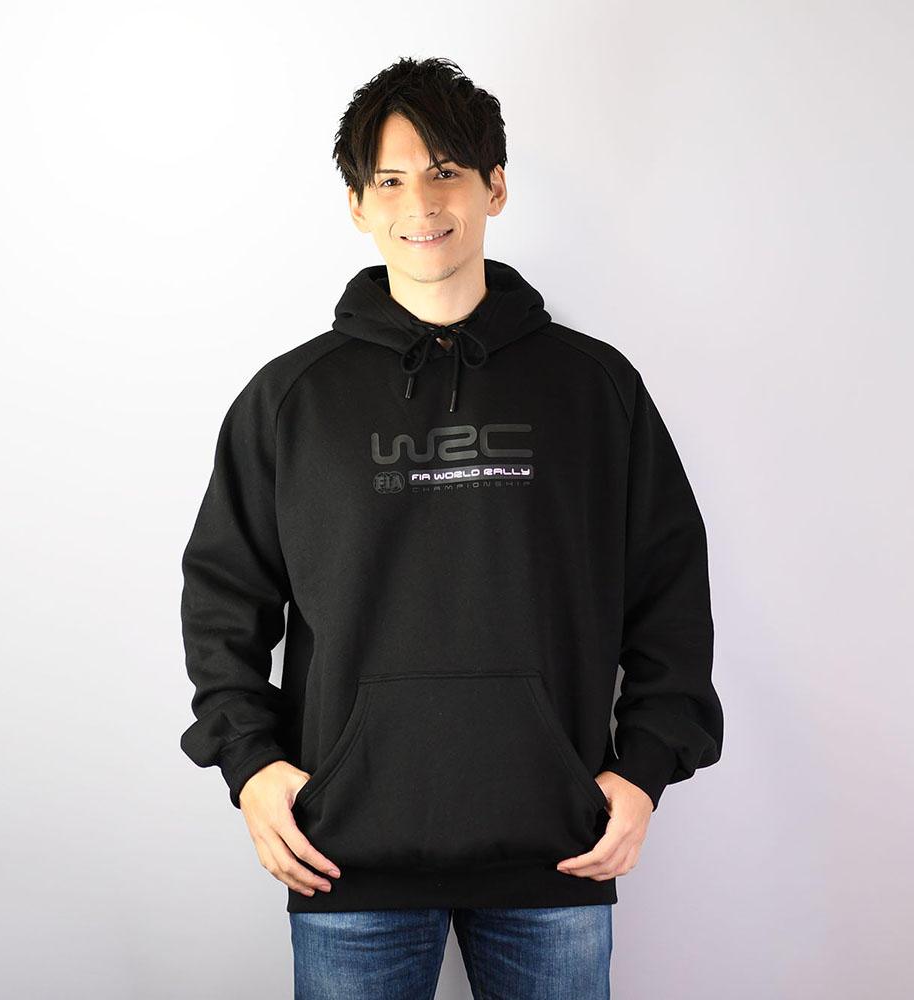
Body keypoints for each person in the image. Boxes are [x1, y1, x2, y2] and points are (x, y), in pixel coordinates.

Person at [179, 55, 724, 1000]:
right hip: (347, 861)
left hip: (556, 856)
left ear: (494, 187)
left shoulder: (595, 389)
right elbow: (223, 598)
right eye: (389, 180)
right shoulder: (291, 399)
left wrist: (642, 772)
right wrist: (253, 765)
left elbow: (669, 588)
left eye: (445, 172)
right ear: (357, 205)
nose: (420, 204)